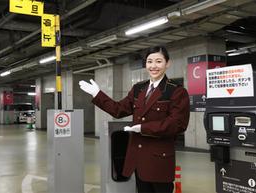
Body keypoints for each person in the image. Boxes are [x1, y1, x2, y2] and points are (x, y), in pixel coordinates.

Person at [79, 45, 190, 193]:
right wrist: (97, 94)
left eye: (158, 61)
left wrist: (143, 128)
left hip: (159, 161)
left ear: (167, 63)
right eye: (149, 62)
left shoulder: (176, 91)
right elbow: (118, 110)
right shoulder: (139, 89)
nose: (153, 66)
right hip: (138, 160)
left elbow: (177, 124)